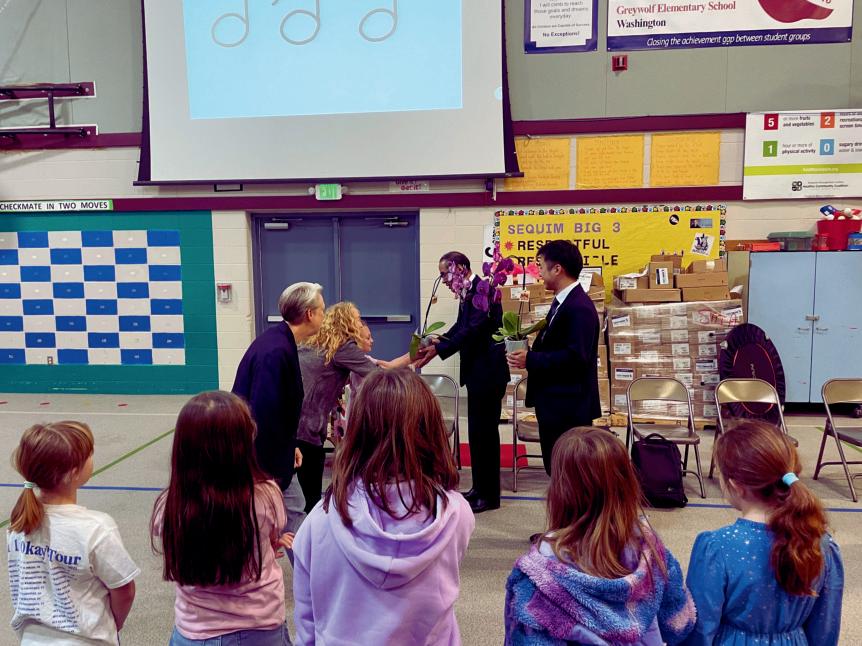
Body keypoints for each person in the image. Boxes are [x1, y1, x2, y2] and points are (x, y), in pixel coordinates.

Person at [292, 369, 475, 645]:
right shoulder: (454, 514)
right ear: (431, 430)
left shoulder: (321, 518)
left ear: (357, 432)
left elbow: (307, 619)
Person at [505, 427, 695, 646]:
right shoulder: (651, 552)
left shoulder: (537, 576)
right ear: (628, 484)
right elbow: (679, 625)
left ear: (559, 490)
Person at [682, 420, 844, 645]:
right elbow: (825, 627)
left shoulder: (716, 547)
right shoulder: (821, 543)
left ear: (736, 485)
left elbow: (700, 630)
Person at [152, 391, 293, 646]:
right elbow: (268, 533)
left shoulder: (170, 505)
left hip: (194, 631)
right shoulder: (266, 495)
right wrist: (269, 545)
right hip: (259, 625)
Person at [7, 421, 139, 645]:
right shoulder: (96, 528)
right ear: (73, 472)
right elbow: (124, 589)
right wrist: (113, 623)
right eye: (89, 454)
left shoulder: (19, 521)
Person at [416, 250, 509, 513]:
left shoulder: (483, 290)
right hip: (477, 374)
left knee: (485, 435)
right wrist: (441, 340)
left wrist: (440, 349)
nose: (443, 281)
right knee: (477, 434)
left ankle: (489, 496)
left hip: (488, 374)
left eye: (444, 274)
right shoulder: (468, 292)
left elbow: (473, 330)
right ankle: (479, 488)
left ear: (459, 268)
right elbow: (461, 326)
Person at [232, 282, 324, 537]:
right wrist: (274, 467)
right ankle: (306, 561)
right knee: (293, 515)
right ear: (310, 314)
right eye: (322, 311)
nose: (324, 316)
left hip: (271, 451)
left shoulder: (280, 342)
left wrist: (290, 445)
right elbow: (263, 415)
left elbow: (278, 409)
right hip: (260, 456)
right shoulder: (275, 351)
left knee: (292, 514)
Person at [506, 240, 600, 474]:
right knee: (556, 468)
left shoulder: (579, 307)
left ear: (557, 269)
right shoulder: (562, 302)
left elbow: (576, 358)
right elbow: (556, 345)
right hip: (554, 402)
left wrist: (530, 360)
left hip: (568, 406)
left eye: (540, 266)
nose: (538, 273)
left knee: (568, 472)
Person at [296, 302, 379, 512]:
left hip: (294, 422)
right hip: (306, 427)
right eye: (357, 319)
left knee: (297, 493)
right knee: (309, 497)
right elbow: (378, 375)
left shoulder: (317, 343)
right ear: (347, 322)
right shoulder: (343, 347)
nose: (360, 324)